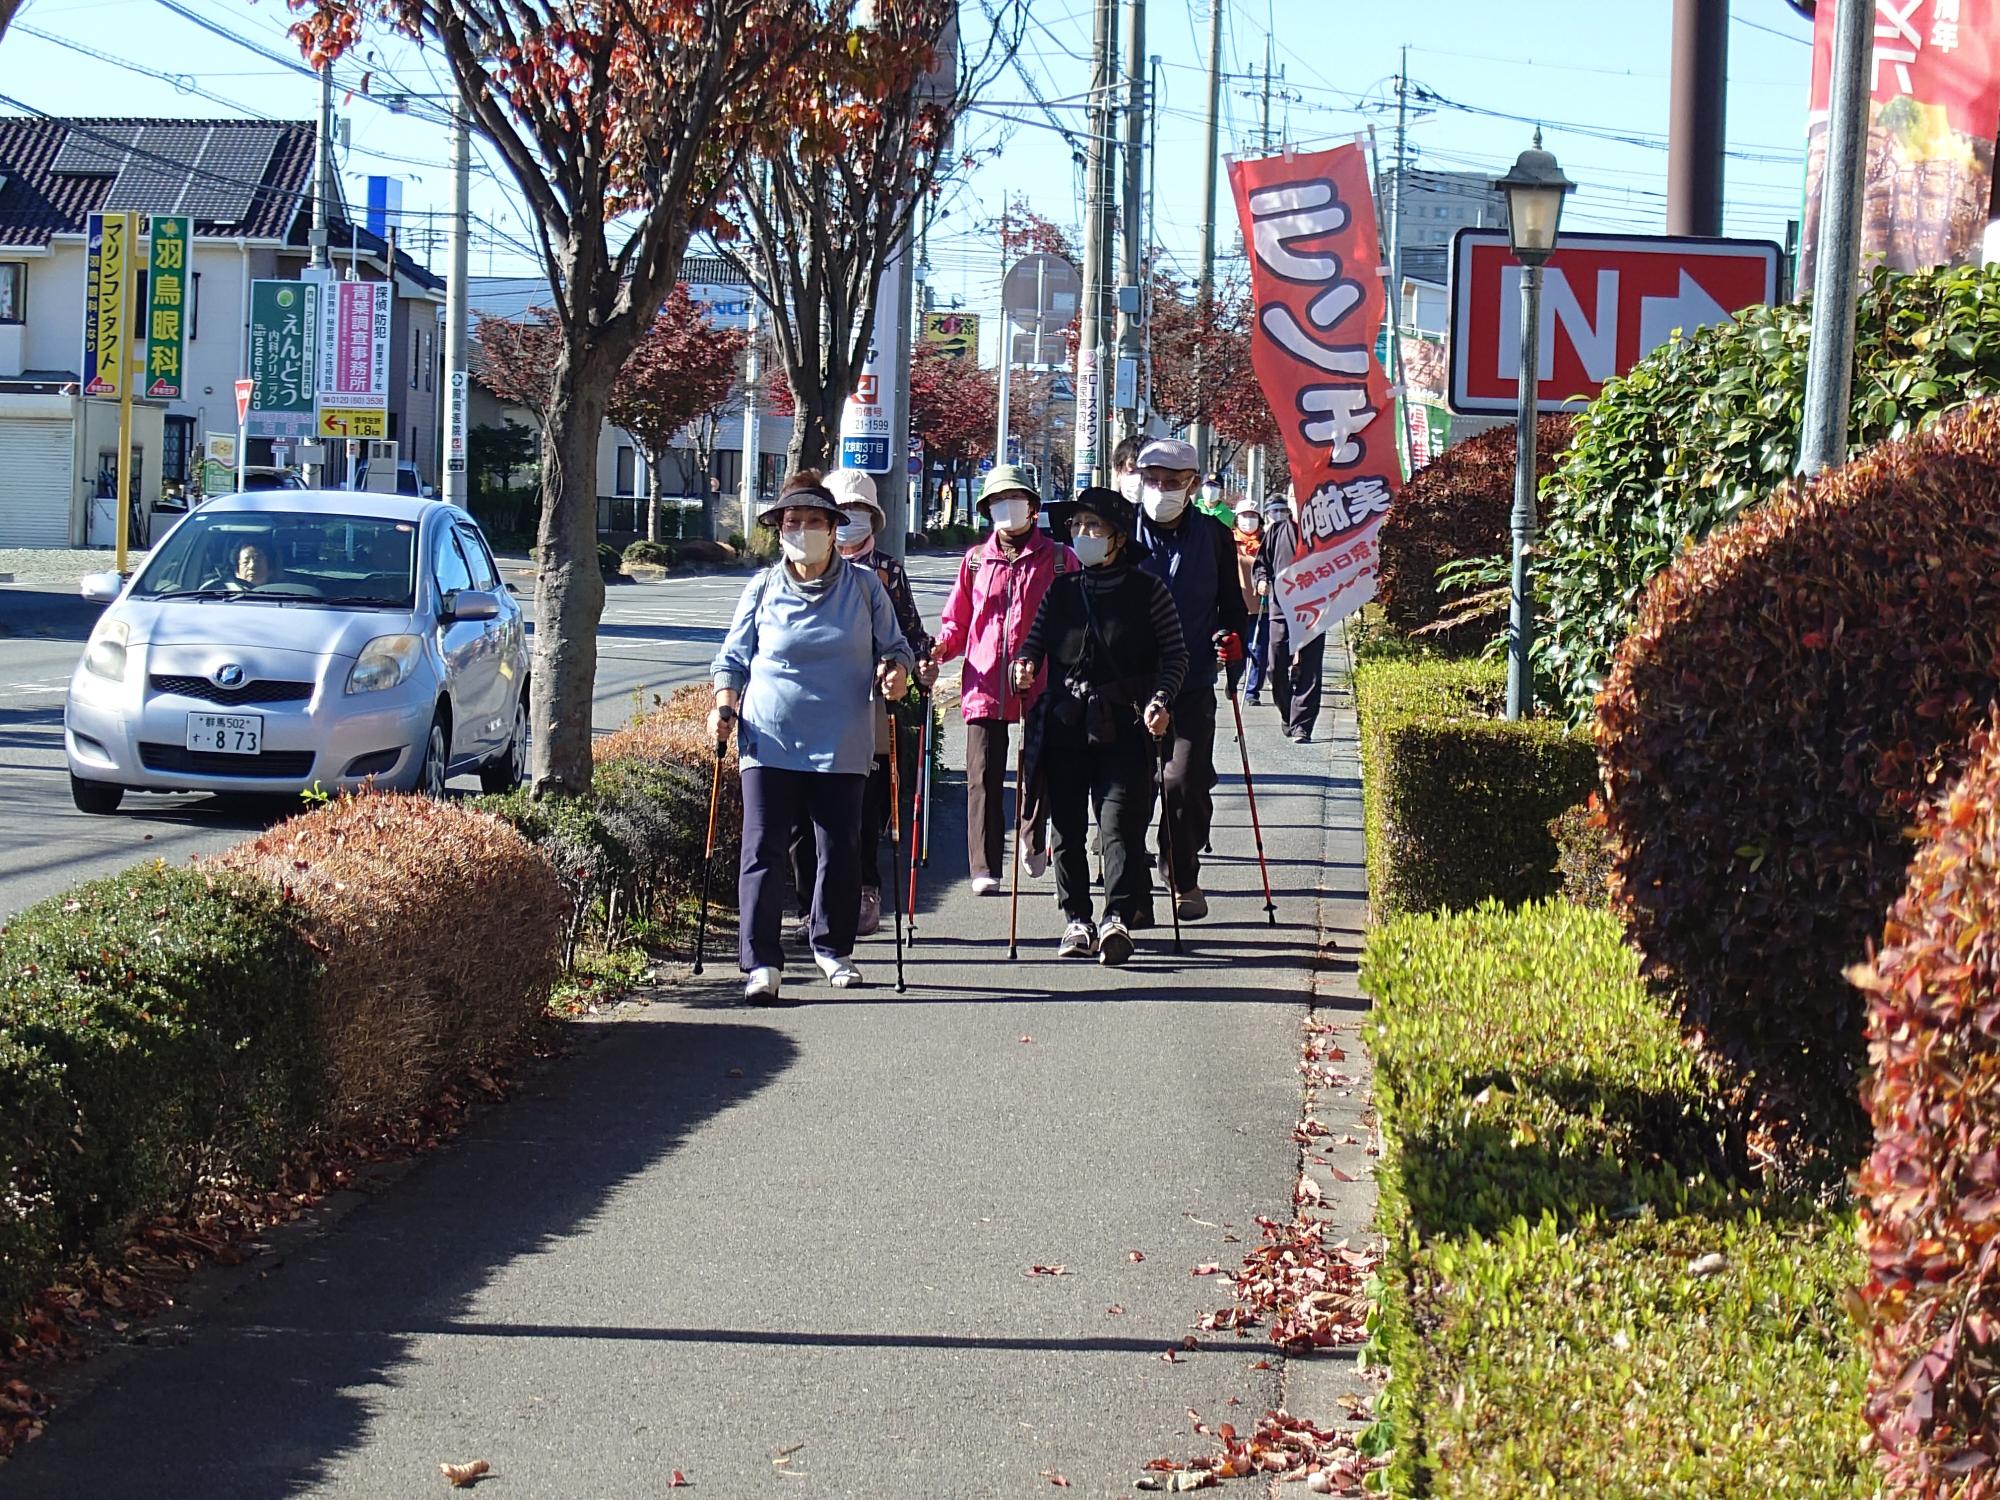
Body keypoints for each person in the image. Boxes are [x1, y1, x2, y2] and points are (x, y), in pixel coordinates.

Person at [710, 472, 914, 1003]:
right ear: (779, 530)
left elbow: (897, 647)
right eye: (792, 522)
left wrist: (895, 670)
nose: (802, 531)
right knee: (762, 847)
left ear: (833, 529)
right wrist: (724, 707)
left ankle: (832, 948)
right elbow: (732, 658)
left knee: (838, 848)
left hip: (841, 737)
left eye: (813, 522)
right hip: (769, 736)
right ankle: (760, 963)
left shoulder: (865, 587)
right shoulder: (761, 587)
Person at [1012, 486, 1186, 966]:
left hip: (1126, 724)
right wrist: (1024, 666)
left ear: (1119, 539)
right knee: (1066, 825)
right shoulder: (1062, 589)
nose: (1083, 535)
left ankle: (1117, 917)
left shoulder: (1149, 591)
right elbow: (1034, 644)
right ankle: (1076, 919)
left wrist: (1161, 698)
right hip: (1067, 722)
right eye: (1077, 527)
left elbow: (1175, 655)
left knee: (1120, 825)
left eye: (1095, 528)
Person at [917, 464, 1077, 894]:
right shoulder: (974, 561)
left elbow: (1078, 619)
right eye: (997, 502)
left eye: (1016, 499)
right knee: (982, 773)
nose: (1007, 509)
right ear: (987, 509)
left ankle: (1032, 837)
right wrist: (939, 650)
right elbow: (957, 621)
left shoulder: (1061, 559)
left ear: (1033, 507)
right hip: (984, 679)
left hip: (1043, 678)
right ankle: (984, 867)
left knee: (1039, 766)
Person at [786, 468, 930, 939]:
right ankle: (812, 900)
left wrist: (914, 664)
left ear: (873, 517)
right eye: (842, 512)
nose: (850, 521)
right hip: (810, 707)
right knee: (805, 812)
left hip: (867, 705)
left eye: (860, 512)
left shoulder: (885, 571)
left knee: (866, 805)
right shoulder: (792, 572)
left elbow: (908, 632)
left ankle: (866, 887)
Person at [1130, 436, 1249, 922]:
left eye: (1172, 482)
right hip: (1130, 681)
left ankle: (1182, 875)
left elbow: (1231, 606)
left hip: (1193, 679)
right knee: (1131, 788)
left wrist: (1230, 638)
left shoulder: (1214, 536)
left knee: (1184, 782)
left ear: (1193, 485)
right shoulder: (1122, 532)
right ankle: (1129, 889)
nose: (1160, 490)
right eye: (1152, 481)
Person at [1252, 492, 1326, 744]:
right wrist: (1261, 580)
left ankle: (1302, 725)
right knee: (1275, 666)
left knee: (1310, 668)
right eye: (1295, 494)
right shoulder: (1277, 531)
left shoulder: (1324, 529)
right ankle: (1287, 712)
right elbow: (1262, 563)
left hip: (1315, 608)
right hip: (1280, 608)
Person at [1232, 498, 1270, 707]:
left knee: (1259, 650)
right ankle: (1235, 680)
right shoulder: (1228, 541)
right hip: (1236, 604)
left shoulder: (1266, 542)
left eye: (1253, 516)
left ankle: (1252, 690)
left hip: (1261, 605)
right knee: (1239, 650)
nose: (1249, 520)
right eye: (1245, 516)